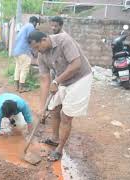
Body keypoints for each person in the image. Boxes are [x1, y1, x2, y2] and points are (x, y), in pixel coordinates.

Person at [28, 31, 93, 161]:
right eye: (34, 49)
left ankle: (59, 149)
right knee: (54, 109)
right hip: (62, 80)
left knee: (66, 116)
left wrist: (57, 81)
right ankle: (54, 138)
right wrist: (42, 108)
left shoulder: (64, 40)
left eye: (37, 47)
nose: (37, 51)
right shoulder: (42, 55)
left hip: (80, 79)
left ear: (44, 39)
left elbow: (76, 64)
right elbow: (44, 80)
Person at [12, 16, 39, 93]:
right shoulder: (31, 27)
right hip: (23, 51)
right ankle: (21, 88)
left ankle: (17, 87)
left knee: (18, 68)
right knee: (25, 68)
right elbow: (31, 39)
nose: (36, 25)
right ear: (34, 22)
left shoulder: (24, 27)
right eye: (36, 24)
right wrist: (34, 52)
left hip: (16, 51)